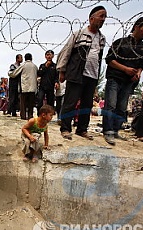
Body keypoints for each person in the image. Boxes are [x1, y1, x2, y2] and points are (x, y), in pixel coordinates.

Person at [102, 15, 143, 145]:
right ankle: (108, 131)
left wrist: (138, 73)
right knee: (111, 105)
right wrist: (125, 69)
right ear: (137, 27)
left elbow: (142, 63)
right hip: (115, 78)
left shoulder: (142, 46)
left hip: (129, 81)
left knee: (121, 106)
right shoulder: (120, 42)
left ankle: (115, 130)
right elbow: (110, 60)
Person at [56, 6, 107, 140]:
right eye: (101, 16)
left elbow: (99, 58)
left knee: (87, 104)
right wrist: (62, 71)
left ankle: (82, 129)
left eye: (104, 17)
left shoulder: (102, 39)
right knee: (70, 102)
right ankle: (66, 129)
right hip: (76, 73)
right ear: (91, 18)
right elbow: (66, 52)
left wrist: (97, 79)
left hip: (92, 75)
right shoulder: (79, 34)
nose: (103, 19)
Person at [9, 53, 38, 120]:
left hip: (24, 87)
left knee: (23, 103)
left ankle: (23, 116)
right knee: (31, 103)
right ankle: (30, 115)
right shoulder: (35, 66)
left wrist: (10, 73)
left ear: (25, 58)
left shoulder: (23, 65)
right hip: (33, 87)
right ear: (31, 58)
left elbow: (14, 73)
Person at [37, 50, 59, 114]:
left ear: (53, 56)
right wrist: (45, 67)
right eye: (47, 55)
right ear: (45, 56)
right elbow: (39, 74)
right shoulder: (42, 65)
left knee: (50, 102)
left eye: (50, 55)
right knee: (40, 100)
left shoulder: (55, 66)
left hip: (50, 86)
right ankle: (39, 114)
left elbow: (56, 76)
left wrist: (56, 82)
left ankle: (49, 115)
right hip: (42, 86)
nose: (49, 56)